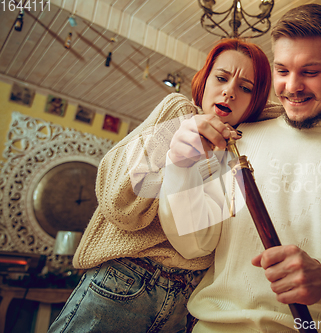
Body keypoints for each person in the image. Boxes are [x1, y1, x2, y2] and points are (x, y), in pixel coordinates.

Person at [159, 4, 321, 332]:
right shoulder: (238, 139)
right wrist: (179, 167)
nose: (292, 86)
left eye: (309, 72)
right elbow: (195, 243)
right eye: (282, 71)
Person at [47, 39, 277, 333]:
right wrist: (177, 144)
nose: (230, 91)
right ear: (204, 81)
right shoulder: (180, 112)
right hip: (125, 280)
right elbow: (118, 200)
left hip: (187, 301)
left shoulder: (238, 150)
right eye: (221, 78)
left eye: (246, 88)